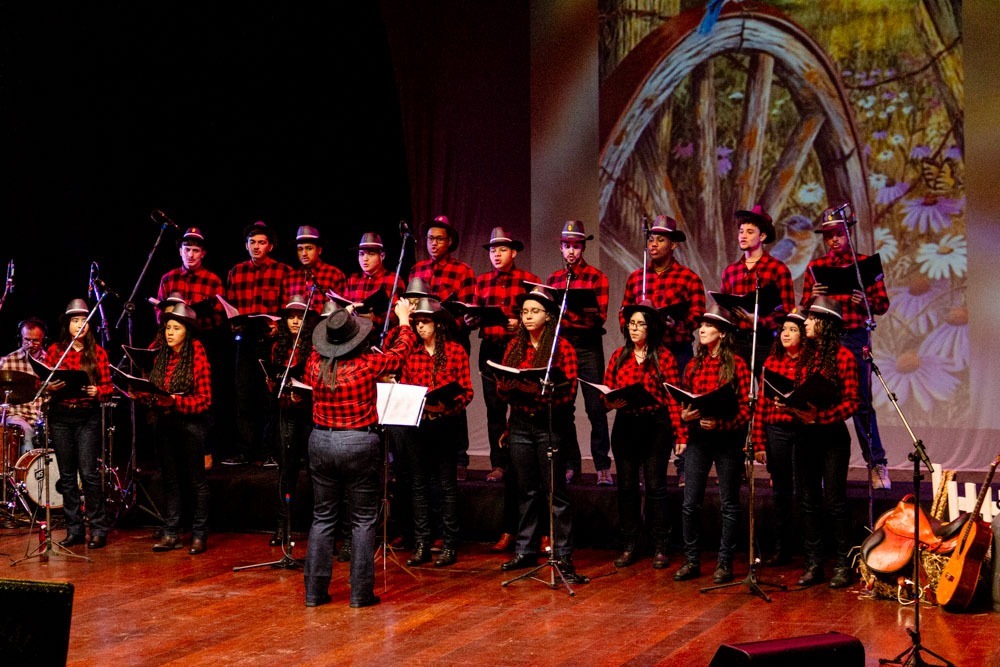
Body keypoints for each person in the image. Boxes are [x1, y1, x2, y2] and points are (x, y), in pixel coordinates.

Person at [302, 299, 416, 608]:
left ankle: (314, 593)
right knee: (363, 520)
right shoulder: (367, 365)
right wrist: (403, 320)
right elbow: (400, 352)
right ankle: (360, 593)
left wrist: (342, 315)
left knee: (323, 517)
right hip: (358, 443)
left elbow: (318, 342)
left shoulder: (314, 365)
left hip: (321, 441)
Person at [496, 285, 586, 584]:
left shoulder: (562, 348)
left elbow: (568, 392)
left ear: (549, 316)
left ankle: (562, 555)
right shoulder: (514, 347)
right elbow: (503, 386)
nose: (529, 317)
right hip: (520, 424)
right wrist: (515, 389)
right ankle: (525, 549)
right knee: (526, 490)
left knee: (555, 492)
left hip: (550, 425)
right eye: (524, 312)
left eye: (535, 311)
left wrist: (534, 391)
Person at [801, 205, 891, 490]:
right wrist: (811, 299)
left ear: (848, 233)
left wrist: (863, 300)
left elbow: (882, 305)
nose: (833, 240)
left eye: (838, 234)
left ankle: (877, 464)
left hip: (855, 337)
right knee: (824, 399)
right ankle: (827, 467)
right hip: (826, 340)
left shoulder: (865, 264)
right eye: (828, 236)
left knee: (861, 403)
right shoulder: (816, 268)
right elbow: (805, 308)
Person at [619, 214, 706, 487]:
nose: (653, 244)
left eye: (660, 239)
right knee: (646, 407)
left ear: (673, 244)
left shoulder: (688, 278)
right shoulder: (637, 278)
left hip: (677, 350)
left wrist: (674, 322)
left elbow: (697, 315)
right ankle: (647, 468)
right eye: (651, 239)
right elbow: (623, 314)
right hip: (646, 353)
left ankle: (683, 467)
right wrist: (636, 324)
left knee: (681, 407)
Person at [603, 300, 686, 569]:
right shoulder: (619, 356)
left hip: (655, 425)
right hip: (626, 424)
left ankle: (661, 545)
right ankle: (629, 544)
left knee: (655, 487)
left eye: (640, 323)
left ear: (651, 328)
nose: (634, 328)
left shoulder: (664, 357)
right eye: (631, 323)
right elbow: (606, 392)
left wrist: (680, 435)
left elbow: (673, 399)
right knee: (626, 487)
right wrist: (610, 402)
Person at [673, 305, 752, 584]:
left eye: (708, 326)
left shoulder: (737, 365)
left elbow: (745, 409)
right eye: (701, 326)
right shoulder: (694, 365)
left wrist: (721, 424)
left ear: (722, 332)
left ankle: (724, 563)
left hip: (727, 440)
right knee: (690, 502)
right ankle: (692, 560)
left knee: (729, 504)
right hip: (699, 440)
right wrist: (685, 417)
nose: (701, 330)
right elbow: (683, 403)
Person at [397, 298, 473, 568]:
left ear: (439, 324)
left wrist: (448, 406)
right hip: (418, 426)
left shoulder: (454, 351)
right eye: (417, 322)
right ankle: (421, 543)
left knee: (447, 485)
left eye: (425, 322)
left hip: (444, 424)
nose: (420, 327)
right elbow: (404, 388)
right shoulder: (411, 352)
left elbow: (467, 390)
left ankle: (449, 544)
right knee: (418, 486)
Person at [794, 296, 860, 589]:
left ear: (825, 323)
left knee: (834, 500)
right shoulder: (805, 356)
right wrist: (793, 406)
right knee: (808, 501)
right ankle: (814, 562)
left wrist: (820, 417)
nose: (805, 323)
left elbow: (852, 402)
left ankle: (844, 564)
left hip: (832, 435)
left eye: (810, 318)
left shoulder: (844, 357)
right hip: (805, 434)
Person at [140, 303, 213, 555]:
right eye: (168, 327)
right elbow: (153, 388)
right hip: (165, 423)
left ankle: (199, 534)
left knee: (196, 481)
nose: (170, 332)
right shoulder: (160, 354)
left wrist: (176, 400)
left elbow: (204, 399)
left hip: (190, 424)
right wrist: (140, 393)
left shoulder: (196, 352)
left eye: (176, 328)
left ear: (187, 331)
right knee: (170, 479)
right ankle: (171, 532)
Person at [407, 215, 476, 479]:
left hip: (453, 340)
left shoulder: (463, 270)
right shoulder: (417, 270)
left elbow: (469, 312)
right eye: (429, 239)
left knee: (453, 395)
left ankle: (459, 458)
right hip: (422, 339)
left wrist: (452, 316)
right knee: (422, 393)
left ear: (450, 242)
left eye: (439, 239)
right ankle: (422, 452)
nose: (433, 243)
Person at [45, 299, 115, 549]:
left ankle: (98, 528)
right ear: (68, 324)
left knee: (89, 474)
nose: (80, 325)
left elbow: (109, 387)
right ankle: (74, 529)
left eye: (84, 321)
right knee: (66, 476)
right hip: (61, 416)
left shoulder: (98, 352)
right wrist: (51, 387)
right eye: (75, 321)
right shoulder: (55, 351)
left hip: (87, 416)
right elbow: (44, 382)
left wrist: (98, 391)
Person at [155, 227, 226, 469]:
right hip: (172, 342)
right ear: (180, 251)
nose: (191, 255)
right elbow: (158, 315)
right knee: (169, 390)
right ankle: (171, 448)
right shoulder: (168, 278)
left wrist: (195, 314)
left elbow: (219, 317)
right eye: (187, 250)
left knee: (202, 397)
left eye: (196, 250)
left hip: (202, 341)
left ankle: (205, 449)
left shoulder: (212, 280)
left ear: (203, 253)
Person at [546, 220, 611, 485]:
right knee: (564, 408)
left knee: (596, 407)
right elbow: (551, 318)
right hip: (564, 346)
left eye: (575, 246)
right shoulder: (554, 280)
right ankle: (572, 463)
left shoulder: (596, 277)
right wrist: (571, 315)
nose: (571, 251)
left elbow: (599, 318)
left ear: (582, 248)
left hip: (587, 345)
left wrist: (569, 313)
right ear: (561, 249)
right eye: (567, 246)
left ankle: (602, 466)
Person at [473, 227, 540, 483]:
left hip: (518, 349)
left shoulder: (528, 279)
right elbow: (474, 317)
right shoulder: (481, 281)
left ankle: (521, 463)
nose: (496, 254)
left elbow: (541, 315)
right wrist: (471, 317)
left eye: (502, 249)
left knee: (521, 406)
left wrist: (519, 324)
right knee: (494, 409)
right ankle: (499, 463)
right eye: (492, 250)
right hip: (490, 348)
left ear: (513, 252)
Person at [223, 221, 292, 466]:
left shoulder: (283, 271)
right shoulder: (236, 271)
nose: (256, 247)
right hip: (245, 339)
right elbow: (229, 306)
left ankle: (269, 450)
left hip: (270, 339)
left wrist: (277, 326)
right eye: (252, 242)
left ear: (270, 246)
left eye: (261, 242)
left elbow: (287, 308)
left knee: (269, 396)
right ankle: (246, 450)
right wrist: (234, 322)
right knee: (243, 395)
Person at [751, 310, 808, 566]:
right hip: (777, 430)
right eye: (783, 329)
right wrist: (759, 442)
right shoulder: (772, 363)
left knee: (806, 490)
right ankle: (782, 549)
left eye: (793, 329)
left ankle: (810, 550)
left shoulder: (810, 362)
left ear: (804, 335)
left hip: (803, 430)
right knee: (781, 492)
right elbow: (762, 404)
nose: (786, 333)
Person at [264, 295, 318, 547]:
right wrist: (273, 384)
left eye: (300, 317)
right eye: (291, 317)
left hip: (310, 413)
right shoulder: (279, 346)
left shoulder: (315, 346)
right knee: (287, 472)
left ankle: (320, 528)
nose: (295, 321)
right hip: (287, 411)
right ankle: (282, 527)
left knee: (316, 472)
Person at [719, 205, 796, 374]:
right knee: (736, 392)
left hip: (766, 342)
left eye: (749, 231)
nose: (743, 236)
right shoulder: (731, 271)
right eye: (741, 231)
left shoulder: (778, 269)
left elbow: (787, 310)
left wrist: (758, 320)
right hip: (736, 342)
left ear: (762, 236)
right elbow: (723, 308)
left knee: (765, 390)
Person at [0, 317, 50, 454]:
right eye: (26, 339)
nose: (30, 344)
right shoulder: (7, 362)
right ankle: (28, 474)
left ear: (43, 340)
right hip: (18, 417)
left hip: (43, 419)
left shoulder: (50, 362)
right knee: (25, 432)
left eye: (35, 341)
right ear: (20, 338)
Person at [343, 232, 405, 335]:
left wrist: (376, 318)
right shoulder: (352, 279)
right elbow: (344, 305)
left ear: (382, 255)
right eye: (361, 254)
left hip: (381, 335)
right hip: (354, 334)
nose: (365, 259)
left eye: (371, 254)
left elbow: (398, 312)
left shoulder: (393, 279)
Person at [283, 225, 346, 316]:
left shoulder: (334, 274)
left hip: (324, 328)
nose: (304, 253)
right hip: (298, 329)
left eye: (309, 248)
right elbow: (285, 311)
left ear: (319, 250)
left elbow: (342, 311)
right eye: (300, 249)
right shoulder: (289, 277)